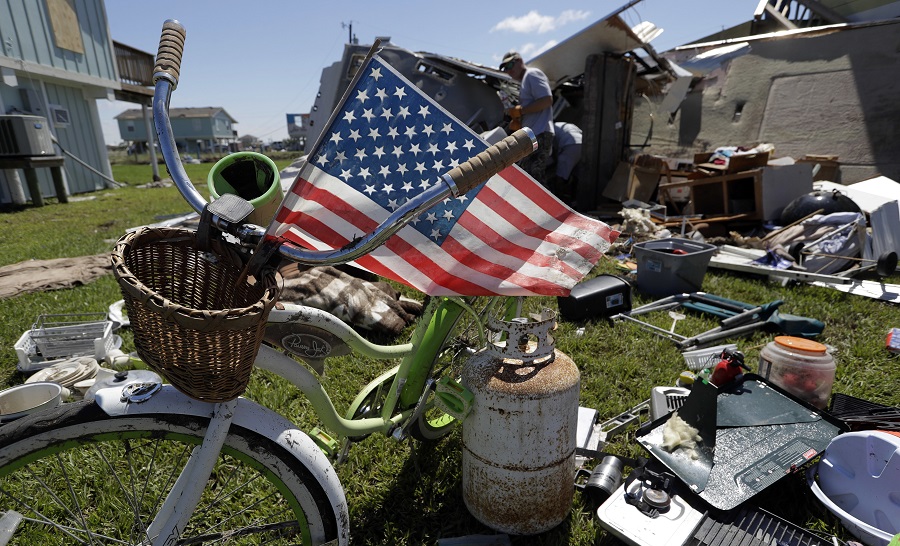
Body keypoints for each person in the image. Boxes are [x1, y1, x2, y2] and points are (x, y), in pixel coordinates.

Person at [499, 51, 554, 186]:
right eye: (505, 68)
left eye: (510, 64)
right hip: (534, 134)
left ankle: (546, 206)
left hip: (540, 133)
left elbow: (547, 100)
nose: (508, 70)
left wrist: (521, 111)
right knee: (529, 176)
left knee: (534, 176)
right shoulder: (525, 81)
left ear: (519, 61)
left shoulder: (532, 74)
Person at [550, 121, 582, 198]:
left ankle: (558, 199)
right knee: (576, 176)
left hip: (569, 145)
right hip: (583, 143)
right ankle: (574, 198)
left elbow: (551, 150)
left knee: (560, 177)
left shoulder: (551, 129)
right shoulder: (564, 125)